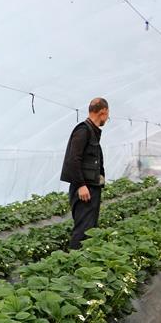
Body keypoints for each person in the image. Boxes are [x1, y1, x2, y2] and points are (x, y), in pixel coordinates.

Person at [60, 98, 110, 249]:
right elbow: (73, 159)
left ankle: (84, 262)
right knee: (83, 230)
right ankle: (75, 264)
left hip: (91, 187)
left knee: (89, 230)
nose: (107, 119)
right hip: (84, 190)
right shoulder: (83, 130)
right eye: (108, 115)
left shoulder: (92, 132)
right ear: (103, 112)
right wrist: (81, 185)